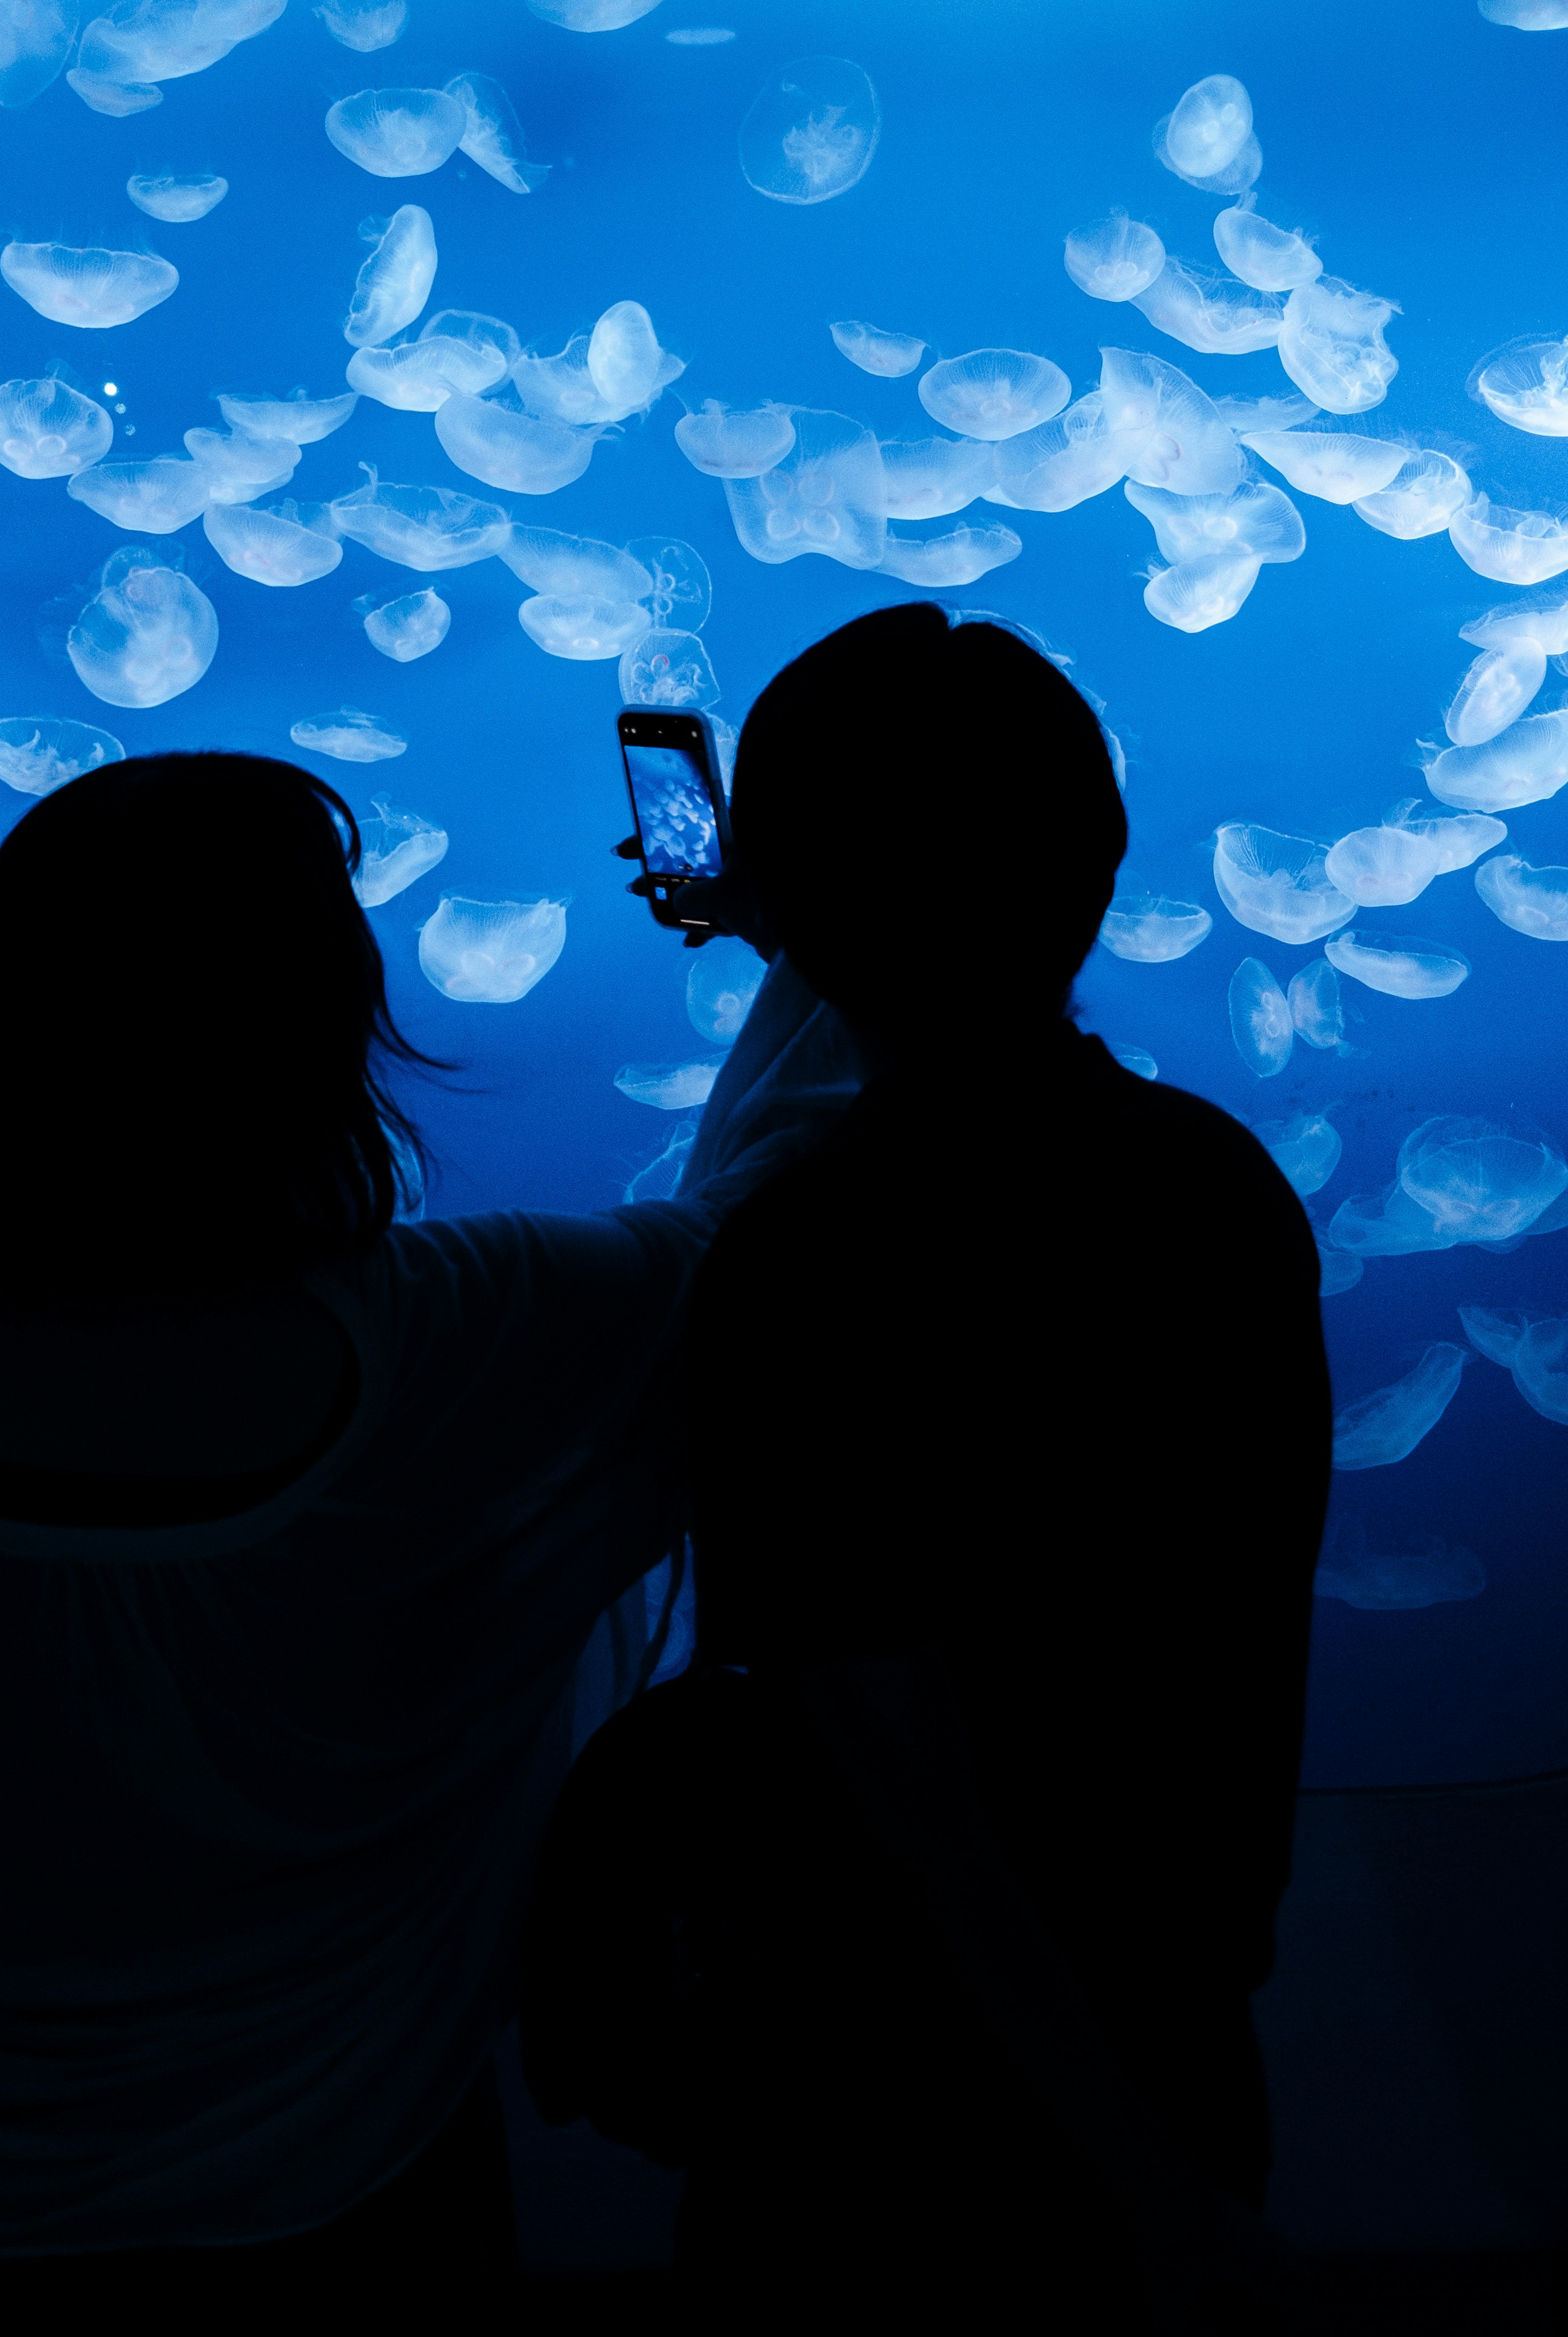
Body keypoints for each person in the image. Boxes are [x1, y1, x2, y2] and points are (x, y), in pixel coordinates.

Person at [0, 749, 855, 2326]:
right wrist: (801, 936)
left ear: (14, 1013)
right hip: (351, 2216)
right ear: (326, 1018)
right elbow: (790, 1225)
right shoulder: (463, 1342)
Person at [674, 604, 1334, 2315]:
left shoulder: (801, 1262)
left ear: (795, 911)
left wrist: (1143, 2188)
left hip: (888, 2091)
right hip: (1175, 2008)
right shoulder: (1219, 1187)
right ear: (1103, 862)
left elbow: (905, 1784)